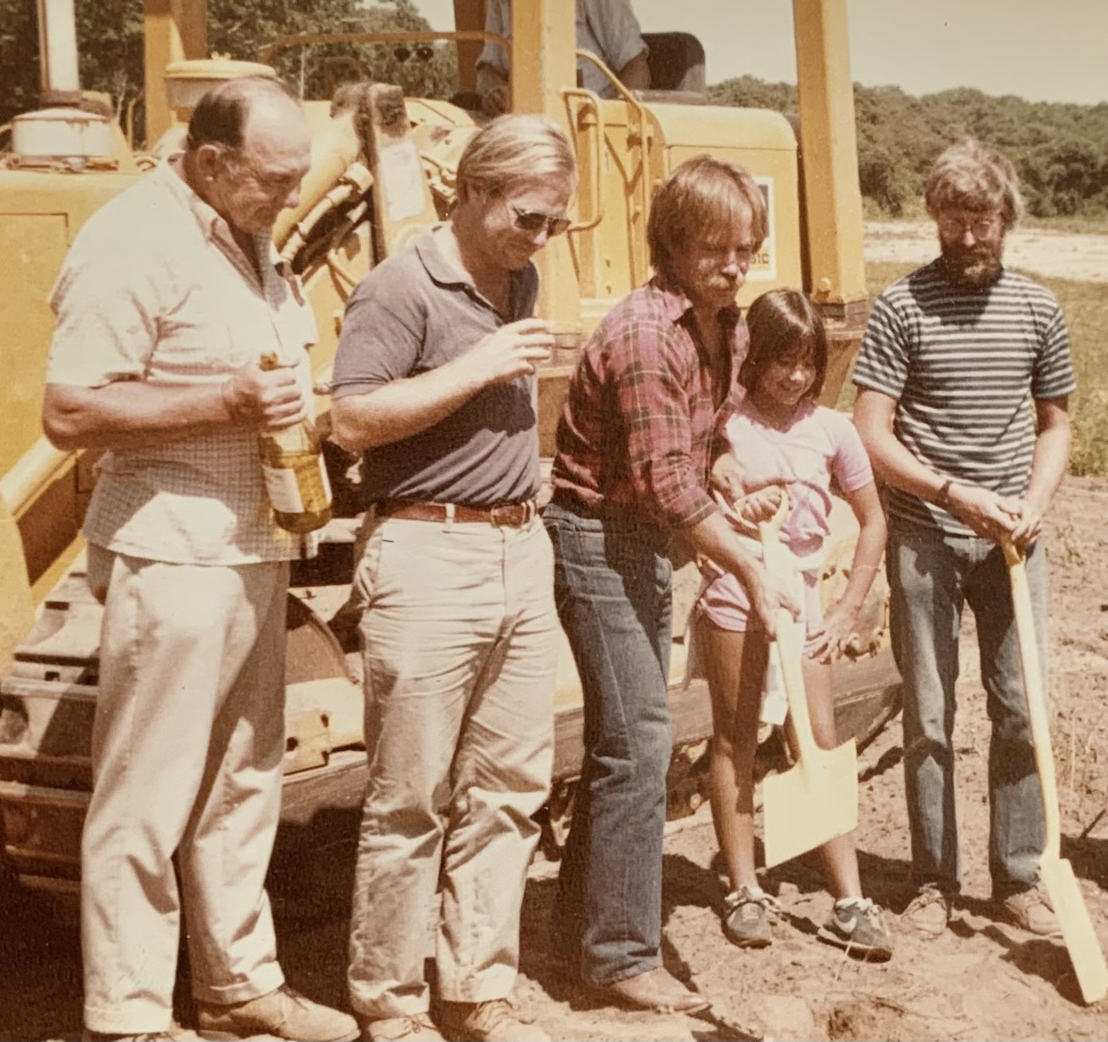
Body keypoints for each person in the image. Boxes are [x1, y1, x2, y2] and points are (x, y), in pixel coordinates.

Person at [42, 76, 357, 1042]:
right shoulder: (134, 242)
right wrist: (220, 404)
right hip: (171, 550)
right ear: (212, 163)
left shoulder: (249, 238)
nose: (292, 199)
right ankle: (130, 1015)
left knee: (243, 779)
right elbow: (69, 410)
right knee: (148, 790)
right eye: (275, 180)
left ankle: (237, 988)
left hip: (251, 546)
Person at [329, 114, 575, 1042]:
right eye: (527, 217)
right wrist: (478, 368)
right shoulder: (400, 289)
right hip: (427, 554)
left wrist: (525, 471)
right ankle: (389, 1007)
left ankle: (478, 992)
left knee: (510, 788)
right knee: (410, 798)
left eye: (553, 221)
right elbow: (351, 418)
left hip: (516, 548)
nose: (540, 237)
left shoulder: (521, 272)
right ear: (470, 190)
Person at [545, 154, 796, 1014]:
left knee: (628, 738)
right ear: (673, 246)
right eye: (714, 250)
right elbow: (659, 481)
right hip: (595, 537)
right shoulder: (646, 335)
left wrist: (726, 465)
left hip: (643, 537)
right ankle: (620, 953)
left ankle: (575, 933)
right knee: (642, 740)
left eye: (746, 249)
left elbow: (708, 432)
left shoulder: (723, 324)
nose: (733, 266)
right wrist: (750, 567)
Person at [851, 139, 1075, 940]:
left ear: (1007, 218)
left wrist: (1031, 501)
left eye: (982, 223)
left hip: (1014, 538)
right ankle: (932, 880)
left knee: (1019, 708)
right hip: (928, 532)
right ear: (935, 221)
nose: (970, 239)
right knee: (930, 713)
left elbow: (1056, 422)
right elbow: (872, 432)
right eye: (954, 224)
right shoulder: (901, 307)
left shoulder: (1038, 308)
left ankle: (1017, 877)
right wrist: (952, 493)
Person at [694, 288, 892, 958]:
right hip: (734, 592)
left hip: (802, 599)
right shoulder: (723, 424)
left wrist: (842, 610)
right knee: (735, 739)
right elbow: (691, 502)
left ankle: (848, 899)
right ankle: (745, 887)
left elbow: (873, 522)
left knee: (819, 739)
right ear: (755, 356)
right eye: (783, 361)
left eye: (808, 363)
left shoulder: (832, 430)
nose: (797, 376)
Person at [476, 0, 650, 115]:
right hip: (519, 124)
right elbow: (487, 70)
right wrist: (494, 92)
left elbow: (637, 69)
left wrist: (604, 122)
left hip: (585, 124)